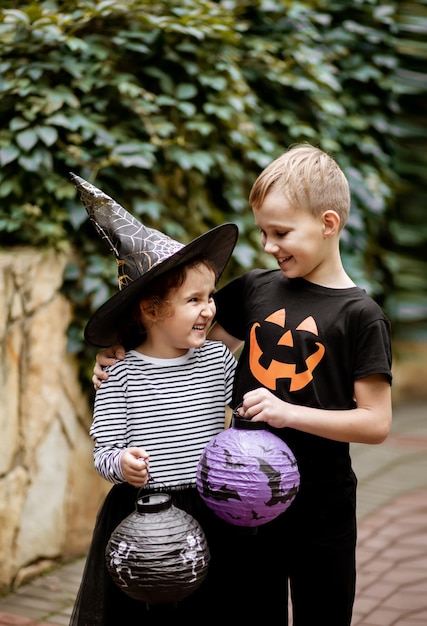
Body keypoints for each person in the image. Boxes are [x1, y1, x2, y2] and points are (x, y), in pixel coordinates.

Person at [93, 143, 393, 625]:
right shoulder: (257, 288)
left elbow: (376, 423)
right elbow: (183, 336)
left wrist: (285, 412)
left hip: (323, 499)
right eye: (262, 233)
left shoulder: (361, 316)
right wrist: (125, 352)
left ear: (329, 224)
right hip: (243, 498)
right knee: (253, 611)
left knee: (325, 610)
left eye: (281, 233)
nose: (269, 246)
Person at [68, 173, 241, 625]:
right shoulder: (121, 375)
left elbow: (244, 410)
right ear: (150, 310)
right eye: (194, 299)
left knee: (205, 611)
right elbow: (103, 452)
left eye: (210, 297)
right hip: (142, 517)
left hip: (209, 509)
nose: (209, 309)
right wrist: (123, 464)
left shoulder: (217, 360)